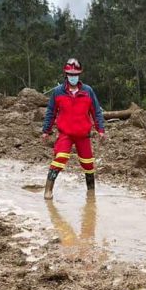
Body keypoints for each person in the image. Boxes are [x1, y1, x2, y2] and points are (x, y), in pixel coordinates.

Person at [42, 58, 105, 200]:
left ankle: (91, 192)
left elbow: (96, 111)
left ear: (79, 75)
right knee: (60, 158)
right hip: (66, 134)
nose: (73, 77)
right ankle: (48, 189)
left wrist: (100, 130)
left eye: (75, 74)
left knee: (88, 164)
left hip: (83, 134)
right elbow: (51, 112)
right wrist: (46, 131)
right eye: (70, 75)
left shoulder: (88, 91)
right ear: (66, 75)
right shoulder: (58, 92)